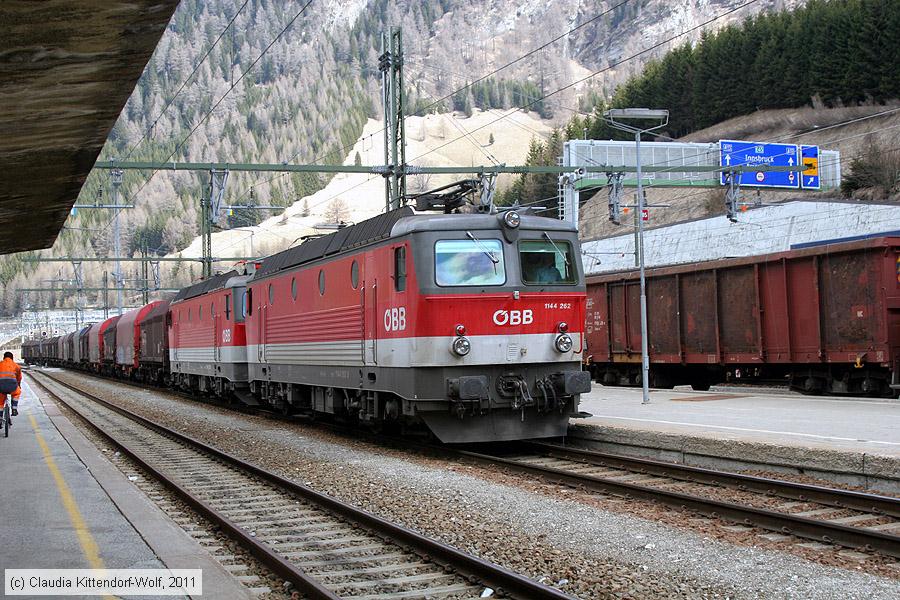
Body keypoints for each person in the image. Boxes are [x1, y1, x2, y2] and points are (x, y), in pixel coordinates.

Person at [0, 351, 22, 418]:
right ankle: (14, 409)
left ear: (4, 357)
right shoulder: (16, 366)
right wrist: (18, 384)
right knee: (16, 393)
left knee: (0, 401)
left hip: (1, 385)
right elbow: (19, 377)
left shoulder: (0, 364)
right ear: (12, 358)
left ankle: (0, 417)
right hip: (12, 385)